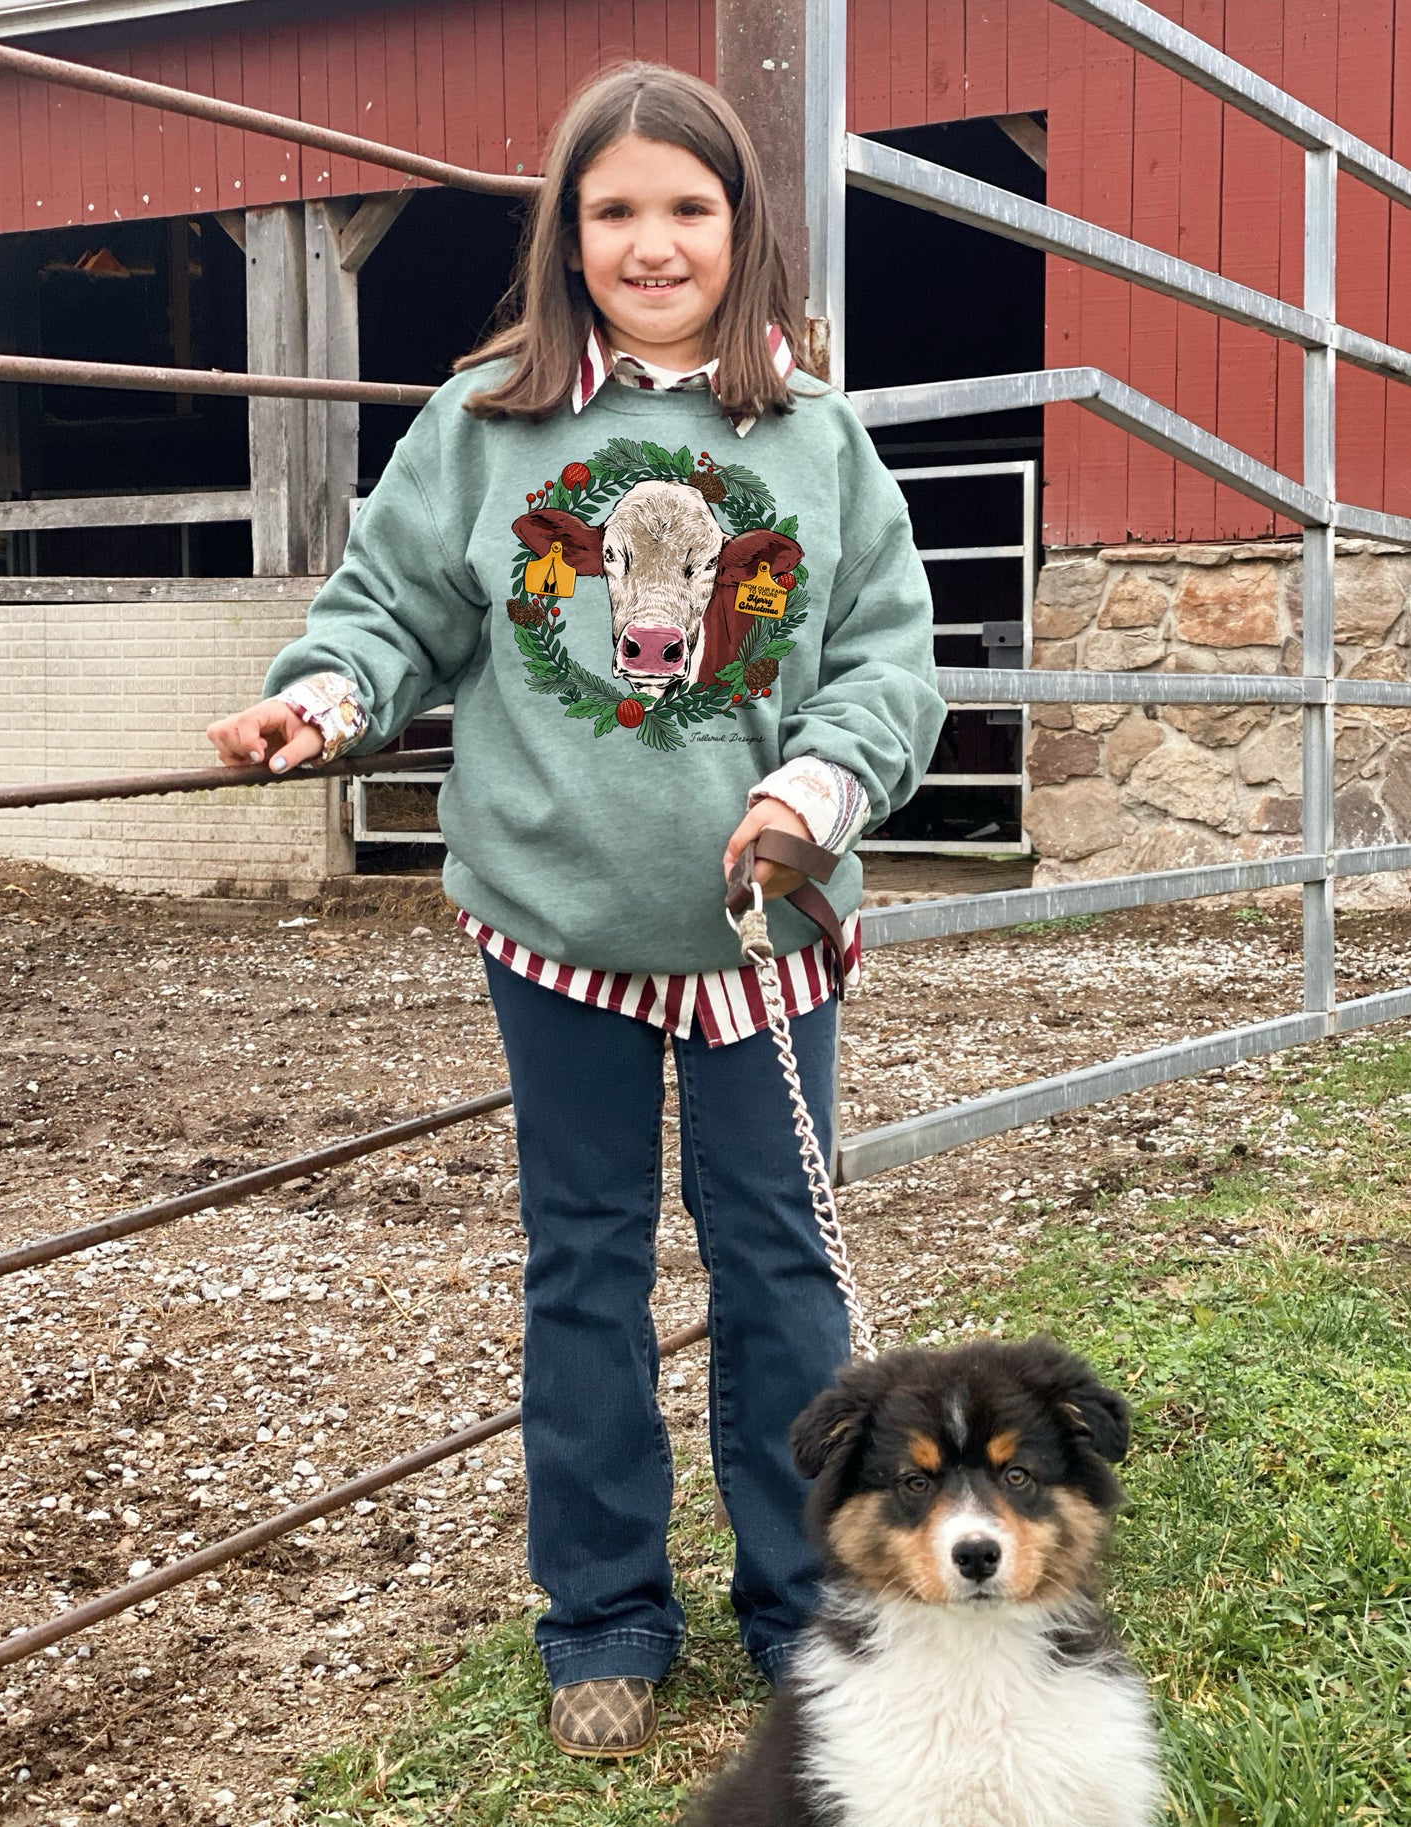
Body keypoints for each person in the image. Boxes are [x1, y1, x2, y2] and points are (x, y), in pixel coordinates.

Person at [206, 61, 943, 1761]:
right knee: (584, 1271)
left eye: (688, 206)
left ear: (740, 228)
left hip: (766, 930)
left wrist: (814, 794)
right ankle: (603, 1611)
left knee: (780, 1276)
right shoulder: (483, 423)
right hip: (557, 922)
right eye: (614, 210)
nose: (653, 241)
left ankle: (797, 1604)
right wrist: (320, 702)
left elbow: (883, 658)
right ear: (567, 234)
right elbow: (387, 610)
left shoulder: (813, 438)